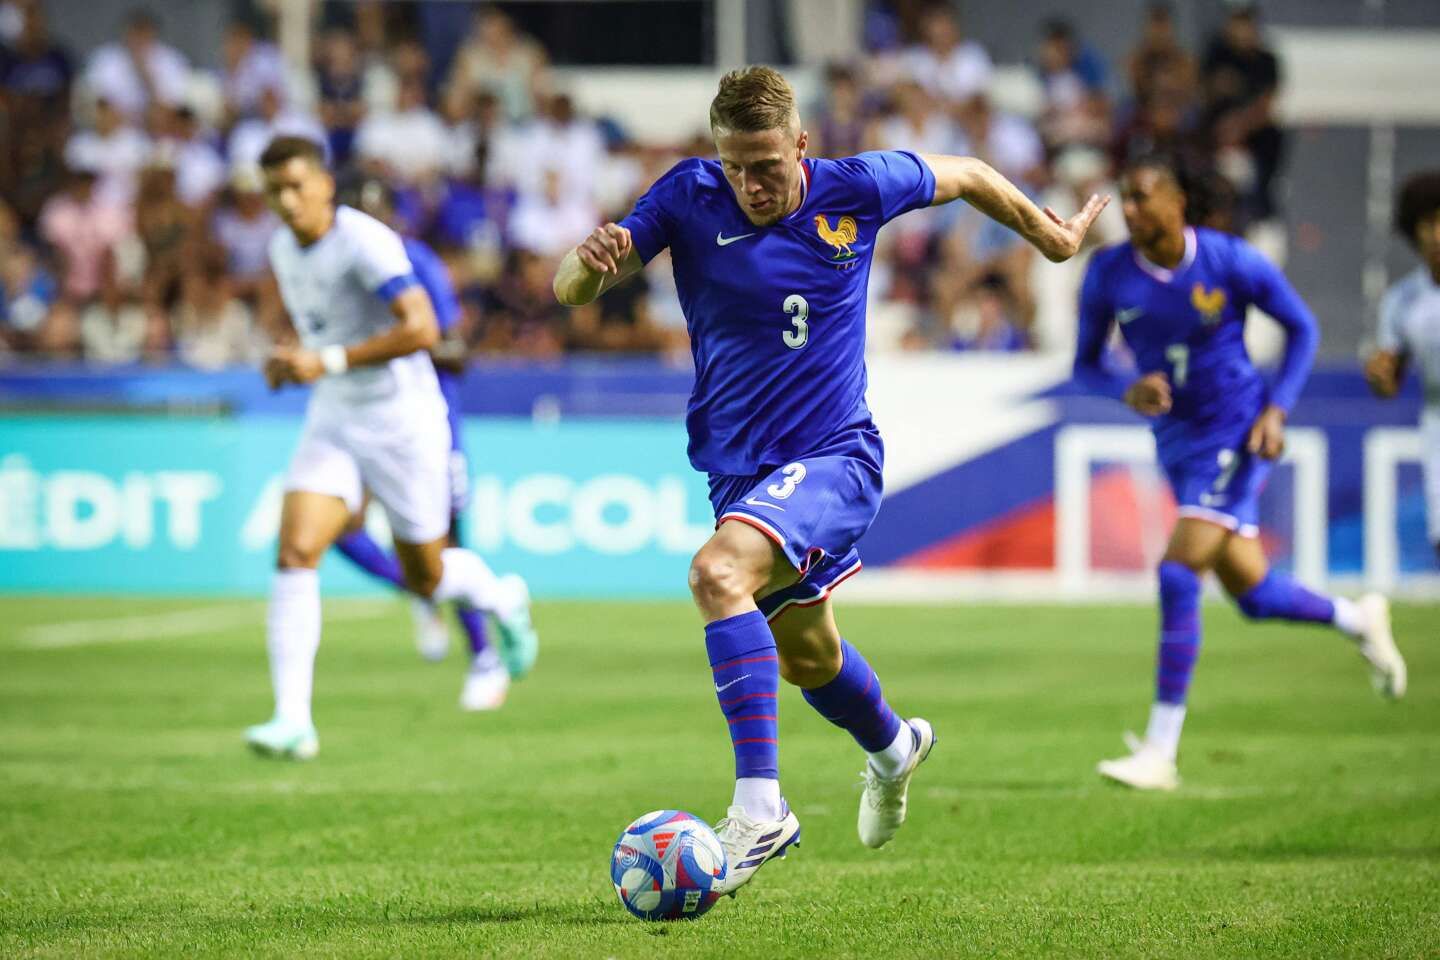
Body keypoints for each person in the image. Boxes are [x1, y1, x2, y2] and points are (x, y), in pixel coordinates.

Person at [552, 66, 1107, 895]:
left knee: (717, 573)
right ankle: (893, 747)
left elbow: (969, 175)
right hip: (739, 471)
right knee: (809, 661)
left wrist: (1052, 239)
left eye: (767, 164)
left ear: (802, 146)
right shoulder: (686, 196)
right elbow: (570, 289)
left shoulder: (860, 187)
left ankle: (759, 808)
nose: (750, 183)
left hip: (836, 459)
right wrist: (589, 266)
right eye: (735, 164)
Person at [1073, 155, 1407, 792]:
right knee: (1252, 593)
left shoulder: (1228, 261)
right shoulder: (1109, 273)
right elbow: (1086, 365)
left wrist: (1277, 410)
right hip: (1176, 441)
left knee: (1178, 571)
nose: (1131, 209)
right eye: (1126, 198)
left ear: (1178, 203)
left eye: (1142, 197)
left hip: (1235, 428)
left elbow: (1302, 328)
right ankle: (1357, 619)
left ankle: (1160, 751)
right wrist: (1126, 388)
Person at [245, 136, 536, 760]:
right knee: (295, 548)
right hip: (335, 415)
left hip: (403, 421)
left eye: (297, 185)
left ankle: (502, 597)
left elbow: (423, 328)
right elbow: (324, 326)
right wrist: (289, 359)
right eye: (275, 190)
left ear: (325, 184)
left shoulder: (367, 241)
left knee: (426, 574)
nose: (287, 201)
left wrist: (322, 360)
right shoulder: (281, 247)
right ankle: (293, 719)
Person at [331, 177, 534, 711]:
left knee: (447, 538)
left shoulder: (414, 262)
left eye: (378, 214)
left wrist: (389, 347)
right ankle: (422, 589)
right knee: (335, 524)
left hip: (424, 418)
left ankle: (484, 655)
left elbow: (455, 351)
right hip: (356, 413)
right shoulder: (334, 268)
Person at [1364, 171, 1440, 560]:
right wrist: (1379, 377)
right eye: (1429, 222)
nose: (1438, 234)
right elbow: (1389, 383)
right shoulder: (1403, 300)